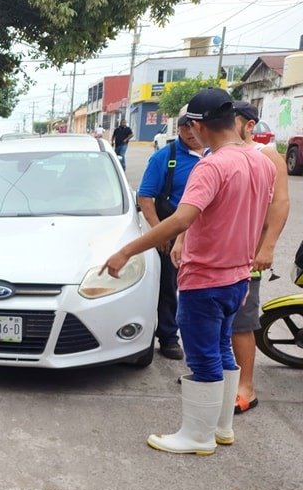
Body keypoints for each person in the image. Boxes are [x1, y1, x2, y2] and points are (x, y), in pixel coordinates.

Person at [103, 88, 275, 456]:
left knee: (202, 358)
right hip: (237, 278)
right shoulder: (261, 161)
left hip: (206, 279)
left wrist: (125, 251)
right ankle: (222, 427)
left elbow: (182, 217)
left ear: (197, 125)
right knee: (223, 352)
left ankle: (197, 436)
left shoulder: (211, 166)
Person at [228, 100, 290, 415]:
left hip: (247, 256)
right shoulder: (220, 153)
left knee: (242, 321)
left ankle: (245, 388)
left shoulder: (267, 156)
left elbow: (280, 204)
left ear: (249, 125)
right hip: (216, 255)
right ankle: (217, 377)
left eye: (231, 120)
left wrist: (267, 247)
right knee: (213, 320)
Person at [136, 106, 205, 360]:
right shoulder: (164, 157)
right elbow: (145, 197)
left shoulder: (216, 156)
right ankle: (168, 337)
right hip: (172, 233)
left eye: (194, 125)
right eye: (184, 125)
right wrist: (159, 233)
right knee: (169, 287)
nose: (189, 131)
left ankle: (201, 337)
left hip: (206, 237)